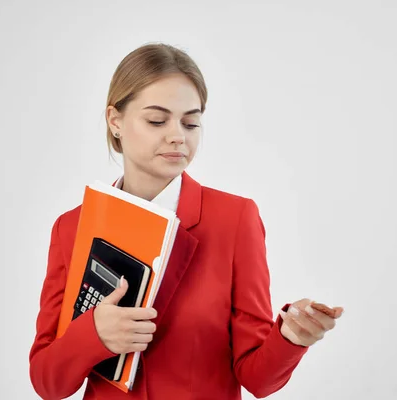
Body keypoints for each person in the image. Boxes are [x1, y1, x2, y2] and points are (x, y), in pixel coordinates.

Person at [29, 43, 344, 400]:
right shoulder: (72, 228)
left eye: (191, 122)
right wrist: (93, 335)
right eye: (157, 120)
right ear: (115, 121)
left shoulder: (235, 219)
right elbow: (47, 382)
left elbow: (257, 378)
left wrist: (290, 338)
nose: (178, 135)